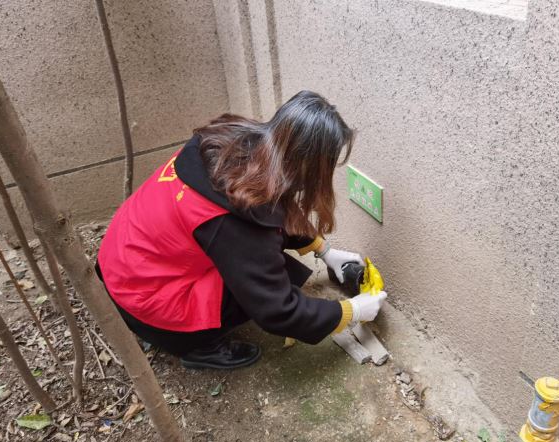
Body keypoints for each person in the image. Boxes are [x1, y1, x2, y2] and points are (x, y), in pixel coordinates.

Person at [96, 90, 388, 370]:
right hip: (142, 300)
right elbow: (278, 311)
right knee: (264, 282)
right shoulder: (231, 222)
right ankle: (196, 347)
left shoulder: (234, 141)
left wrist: (324, 251)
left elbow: (274, 206)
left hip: (120, 262)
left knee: (266, 265)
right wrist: (350, 311)